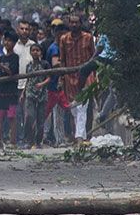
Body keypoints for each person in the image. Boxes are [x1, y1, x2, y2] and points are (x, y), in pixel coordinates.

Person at [59, 14, 96, 142]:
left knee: (82, 106)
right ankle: (80, 134)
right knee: (74, 108)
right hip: (70, 77)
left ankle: (80, 136)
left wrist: (95, 75)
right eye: (72, 23)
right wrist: (62, 77)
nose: (74, 25)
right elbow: (62, 60)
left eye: (76, 23)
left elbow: (93, 56)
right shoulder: (64, 39)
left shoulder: (88, 37)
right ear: (69, 24)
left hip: (86, 75)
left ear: (80, 24)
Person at [0, 30, 21, 149]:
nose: (7, 43)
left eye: (10, 41)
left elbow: (11, 72)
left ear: (14, 43)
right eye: (6, 40)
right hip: (1, 91)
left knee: (11, 117)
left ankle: (13, 141)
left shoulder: (15, 57)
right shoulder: (2, 57)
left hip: (11, 92)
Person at [24, 42, 50, 148]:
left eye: (37, 50)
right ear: (30, 52)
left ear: (40, 52)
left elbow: (49, 77)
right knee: (30, 117)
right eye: (33, 50)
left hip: (42, 94)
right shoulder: (28, 66)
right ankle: (29, 140)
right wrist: (23, 93)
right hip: (30, 93)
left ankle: (38, 142)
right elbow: (28, 80)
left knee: (40, 119)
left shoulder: (45, 64)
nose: (35, 52)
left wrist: (42, 84)